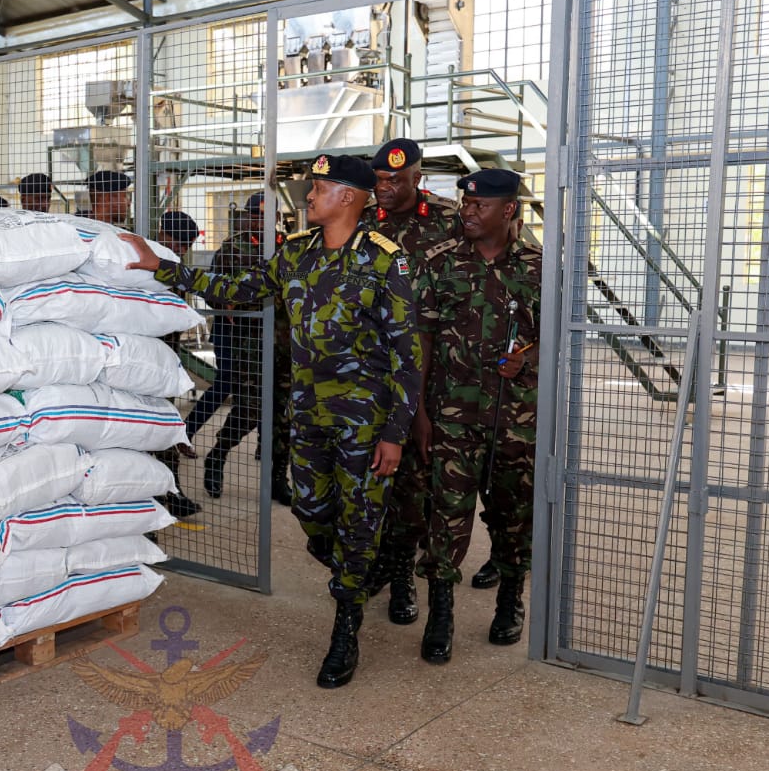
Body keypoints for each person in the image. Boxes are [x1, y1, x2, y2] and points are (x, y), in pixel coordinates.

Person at [121, 155, 421, 690]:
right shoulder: (297, 254)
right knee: (311, 512)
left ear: (348, 196)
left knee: (358, 522)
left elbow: (407, 354)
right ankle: (360, 566)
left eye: (319, 188)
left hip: (363, 420)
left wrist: (395, 433)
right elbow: (233, 290)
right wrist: (163, 268)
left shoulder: (384, 260)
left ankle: (346, 626)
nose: (310, 197)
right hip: (307, 415)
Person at [411, 168, 540, 664]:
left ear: (507, 210)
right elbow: (421, 341)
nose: (467, 211)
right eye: (465, 203)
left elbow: (557, 337)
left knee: (513, 516)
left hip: (517, 418)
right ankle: (440, 614)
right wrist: (419, 413)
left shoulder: (538, 268)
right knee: (445, 516)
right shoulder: (439, 262)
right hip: (452, 417)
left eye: (478, 205)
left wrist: (526, 358)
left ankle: (510, 599)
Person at [362, 139, 477, 629]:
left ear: (417, 178)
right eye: (379, 181)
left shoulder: (451, 218)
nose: (385, 189)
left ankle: (416, 580)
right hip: (376, 371)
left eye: (396, 180)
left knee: (427, 483)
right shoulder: (362, 221)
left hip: (440, 371)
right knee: (384, 479)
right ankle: (395, 571)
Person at [185, 192, 265, 498]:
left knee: (267, 393)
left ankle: (265, 449)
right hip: (233, 333)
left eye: (266, 215)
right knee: (226, 385)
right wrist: (225, 303)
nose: (260, 221)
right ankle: (188, 434)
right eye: (256, 215)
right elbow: (211, 287)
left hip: (268, 336)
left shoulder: (283, 246)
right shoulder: (232, 248)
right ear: (246, 217)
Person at [153, 210, 203, 520]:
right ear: (163, 235)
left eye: (186, 246)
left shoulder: (175, 266)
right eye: (179, 243)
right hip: (145, 360)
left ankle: (172, 491)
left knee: (167, 424)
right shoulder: (149, 263)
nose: (182, 250)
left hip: (167, 360)